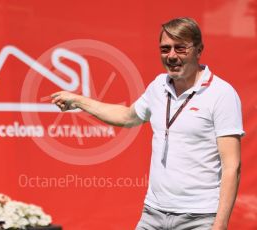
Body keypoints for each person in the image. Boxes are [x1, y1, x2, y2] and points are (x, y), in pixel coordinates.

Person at [51, 17, 244, 230]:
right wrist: (78, 101)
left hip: (198, 217)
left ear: (199, 50)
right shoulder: (158, 86)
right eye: (165, 49)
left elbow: (231, 166)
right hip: (153, 213)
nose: (171, 56)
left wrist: (220, 225)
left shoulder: (221, 94)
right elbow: (127, 116)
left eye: (180, 48)